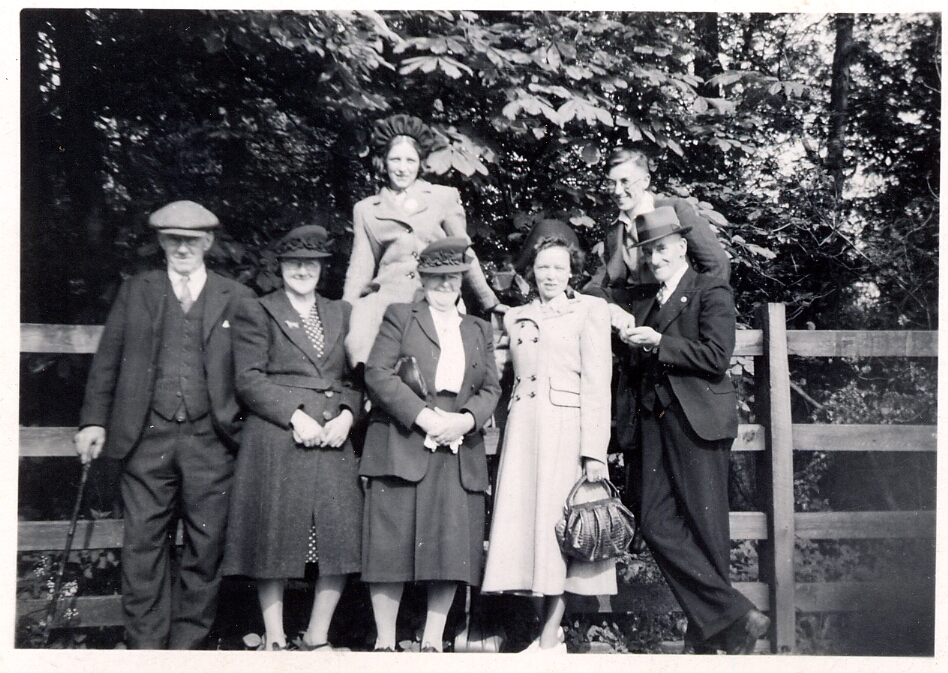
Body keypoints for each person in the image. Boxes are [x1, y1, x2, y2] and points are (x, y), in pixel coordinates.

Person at [73, 200, 255, 649]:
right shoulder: (137, 290)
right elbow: (108, 360)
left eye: (191, 240)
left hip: (211, 442)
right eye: (173, 240)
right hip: (146, 439)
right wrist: (93, 421)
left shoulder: (236, 296)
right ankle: (147, 650)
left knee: (206, 547)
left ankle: (187, 650)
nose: (182, 248)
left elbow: (252, 372)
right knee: (142, 547)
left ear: (208, 242)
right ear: (161, 242)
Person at [614, 206, 770, 654]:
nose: (655, 259)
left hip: (698, 422)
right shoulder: (644, 301)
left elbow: (717, 357)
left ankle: (708, 641)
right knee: (652, 522)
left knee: (706, 529)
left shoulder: (710, 289)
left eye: (662, 249)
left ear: (682, 247)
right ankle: (736, 618)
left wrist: (660, 343)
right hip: (652, 425)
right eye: (648, 252)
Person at [222, 225, 363, 651]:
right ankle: (276, 638)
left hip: (332, 437)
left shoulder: (342, 312)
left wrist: (347, 416)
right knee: (275, 536)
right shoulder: (259, 310)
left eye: (311, 264)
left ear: (322, 269)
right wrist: (294, 415)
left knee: (339, 537)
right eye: (294, 263)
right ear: (280, 267)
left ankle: (317, 636)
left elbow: (355, 379)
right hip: (279, 435)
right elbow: (248, 379)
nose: (303, 271)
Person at [359, 237, 502, 652]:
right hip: (404, 439)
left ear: (461, 280)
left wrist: (464, 421)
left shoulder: (478, 328)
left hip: (457, 447)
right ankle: (386, 642)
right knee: (389, 545)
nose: (444, 284)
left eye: (452, 277)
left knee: (450, 547)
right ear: (422, 279)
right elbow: (377, 372)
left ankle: (433, 641)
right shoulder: (400, 315)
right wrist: (423, 417)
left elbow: (491, 388)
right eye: (436, 277)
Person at [481, 222, 615, 653]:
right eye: (543, 267)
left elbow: (598, 384)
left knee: (560, 533)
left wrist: (594, 452)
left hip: (566, 432)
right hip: (522, 432)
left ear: (572, 270)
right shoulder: (516, 317)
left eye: (559, 267)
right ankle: (548, 634)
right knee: (529, 534)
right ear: (531, 272)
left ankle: (547, 641)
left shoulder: (591, 310)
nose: (551, 275)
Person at [343, 114, 503, 366]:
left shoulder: (442, 197)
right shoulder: (366, 209)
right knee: (362, 351)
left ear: (420, 163)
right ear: (384, 161)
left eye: (410, 160)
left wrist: (489, 300)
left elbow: (465, 252)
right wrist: (345, 313)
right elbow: (360, 268)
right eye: (395, 159)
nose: (402, 168)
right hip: (385, 301)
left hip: (436, 294)